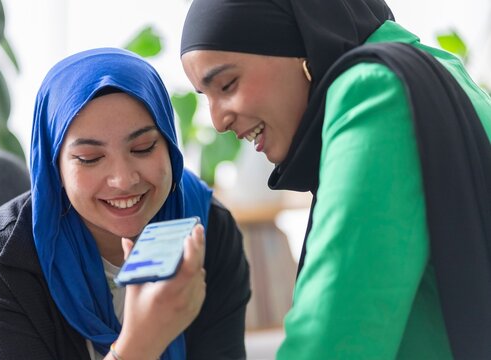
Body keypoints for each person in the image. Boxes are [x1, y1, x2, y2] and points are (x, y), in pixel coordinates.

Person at [180, 0, 491, 359]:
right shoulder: (439, 68)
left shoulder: (377, 91)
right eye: (207, 98)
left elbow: (328, 340)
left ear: (298, 43)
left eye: (227, 84)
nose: (218, 122)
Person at [0, 47, 250, 360]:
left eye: (144, 148)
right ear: (56, 169)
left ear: (170, 148)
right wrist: (140, 343)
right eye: (90, 158)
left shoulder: (206, 226)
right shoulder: (1, 259)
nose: (122, 180)